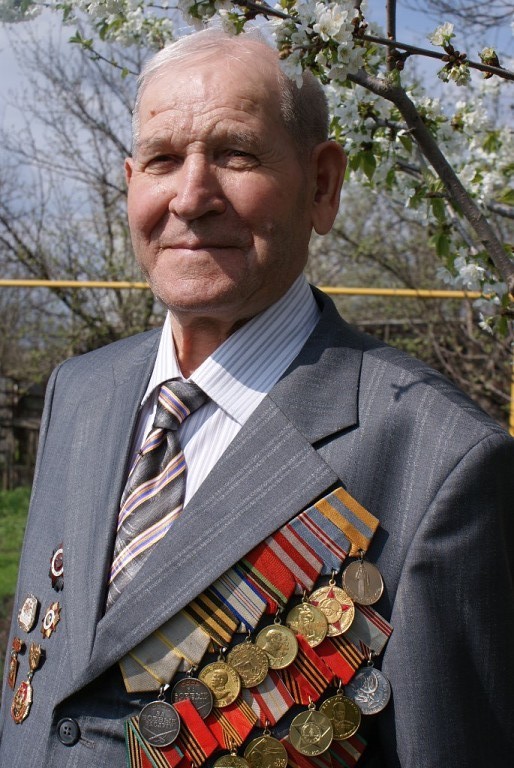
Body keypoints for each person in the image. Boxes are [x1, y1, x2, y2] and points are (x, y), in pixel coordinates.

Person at [0, 26, 513, 768]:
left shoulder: (437, 463)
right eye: (162, 160)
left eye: (236, 154)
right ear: (131, 182)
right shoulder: (79, 392)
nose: (191, 196)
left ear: (323, 185)